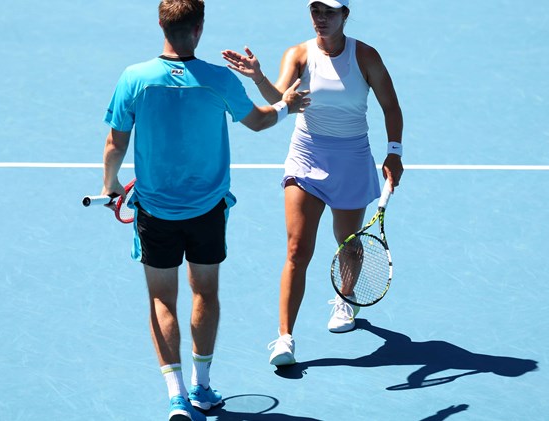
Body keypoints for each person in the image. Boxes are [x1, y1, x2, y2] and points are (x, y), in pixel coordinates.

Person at [100, 1, 310, 419]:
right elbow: (261, 122)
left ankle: (176, 395)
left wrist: (110, 187)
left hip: (156, 212)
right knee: (205, 292)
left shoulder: (134, 78)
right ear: (199, 29)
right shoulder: (218, 80)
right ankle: (202, 386)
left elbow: (115, 145)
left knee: (162, 298)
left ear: (161, 23)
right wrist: (286, 103)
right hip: (207, 213)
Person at [222, 0, 404, 366]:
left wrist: (394, 153)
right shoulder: (300, 54)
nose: (321, 19)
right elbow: (283, 100)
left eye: (330, 12)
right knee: (296, 250)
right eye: (316, 11)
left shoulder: (366, 57)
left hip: (352, 160)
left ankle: (345, 298)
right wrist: (259, 78)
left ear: (345, 16)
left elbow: (391, 106)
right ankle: (284, 339)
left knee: (348, 245)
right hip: (306, 157)